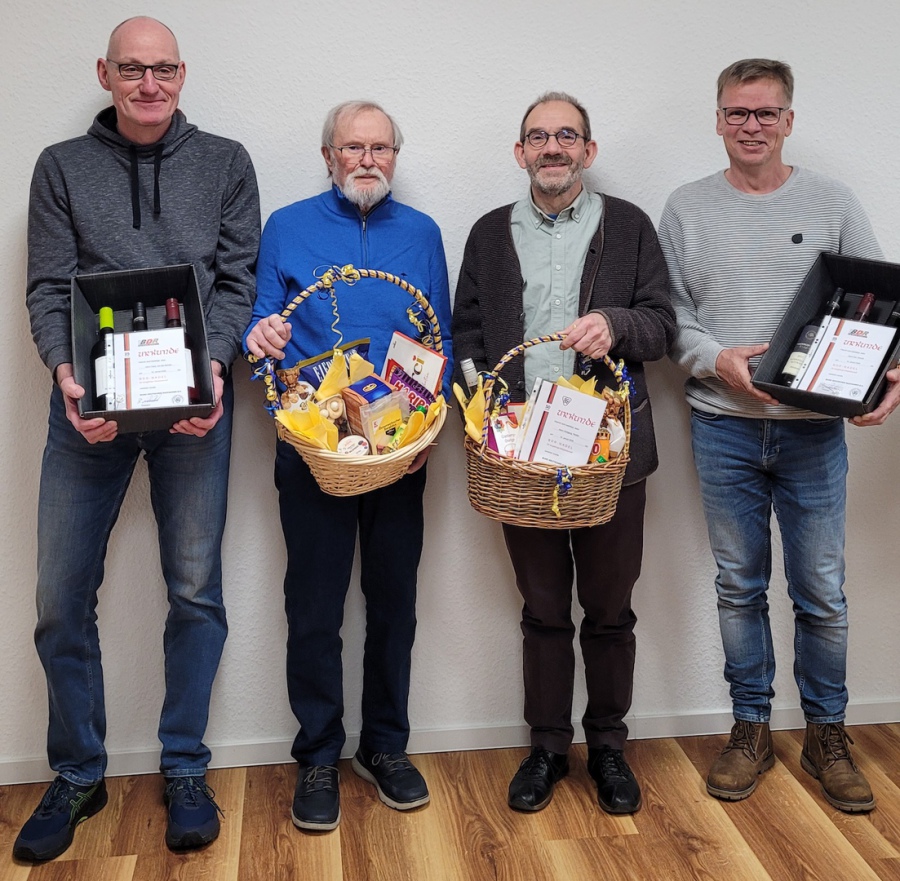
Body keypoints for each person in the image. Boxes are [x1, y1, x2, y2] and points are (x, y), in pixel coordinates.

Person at [15, 17, 260, 861]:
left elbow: (236, 282)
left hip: (196, 409)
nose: (148, 84)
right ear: (105, 73)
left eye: (162, 69)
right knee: (59, 599)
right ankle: (78, 771)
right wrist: (64, 373)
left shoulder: (226, 163)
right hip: (88, 411)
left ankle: (184, 764)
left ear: (182, 74)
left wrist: (215, 368)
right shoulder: (60, 167)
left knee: (195, 592)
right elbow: (48, 287)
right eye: (132, 69)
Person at [659, 58, 900, 813]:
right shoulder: (686, 208)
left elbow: (881, 304)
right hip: (722, 427)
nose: (752, 126)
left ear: (789, 121)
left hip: (813, 433)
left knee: (821, 591)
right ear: (718, 120)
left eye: (766, 113)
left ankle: (829, 734)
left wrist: (888, 378)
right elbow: (671, 317)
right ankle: (751, 729)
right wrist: (716, 359)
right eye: (737, 112)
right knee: (738, 587)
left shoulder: (833, 201)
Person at [452, 91, 674, 815]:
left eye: (567, 135)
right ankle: (547, 747)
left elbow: (663, 326)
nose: (553, 147)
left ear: (589, 150)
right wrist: (484, 412)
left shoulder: (629, 226)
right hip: (521, 457)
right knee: (543, 609)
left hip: (610, 454)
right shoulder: (488, 234)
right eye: (539, 136)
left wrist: (616, 324)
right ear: (520, 152)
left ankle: (608, 745)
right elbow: (467, 333)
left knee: (610, 609)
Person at [244, 100, 453, 832]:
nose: (368, 160)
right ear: (328, 155)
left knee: (395, 602)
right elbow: (260, 322)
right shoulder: (286, 226)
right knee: (314, 606)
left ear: (395, 155)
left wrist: (424, 429)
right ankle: (318, 755)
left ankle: (385, 747)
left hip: (399, 449)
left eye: (380, 148)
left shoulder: (422, 233)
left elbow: (439, 336)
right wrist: (260, 335)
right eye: (353, 147)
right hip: (313, 448)